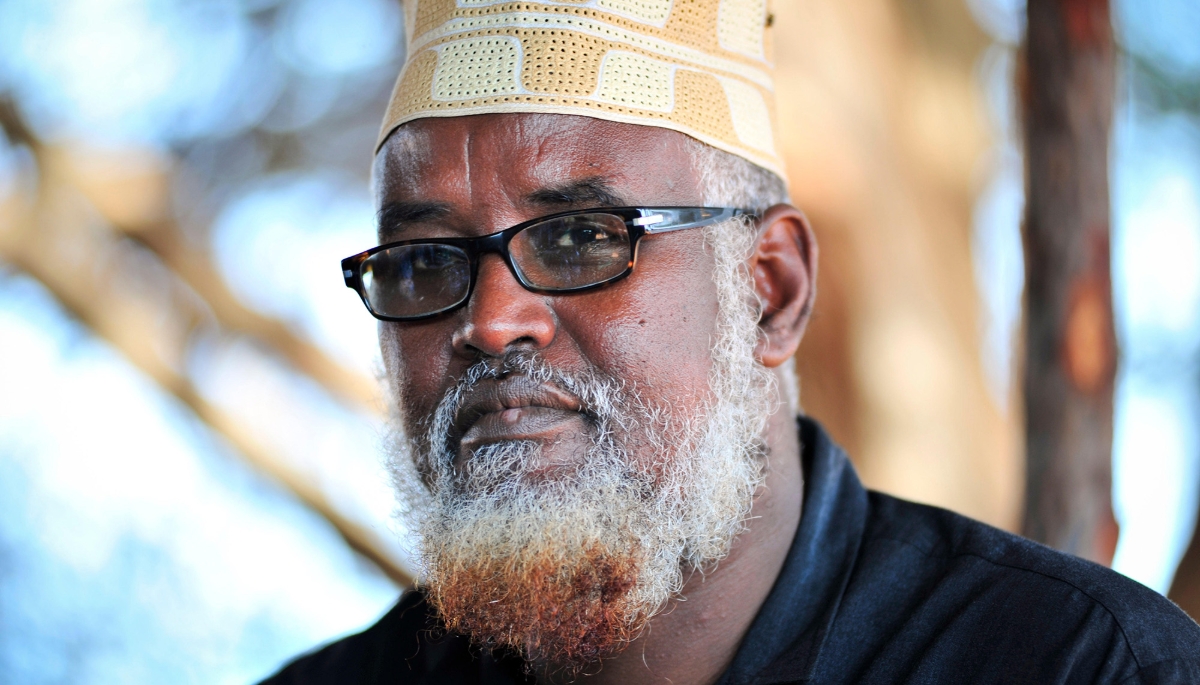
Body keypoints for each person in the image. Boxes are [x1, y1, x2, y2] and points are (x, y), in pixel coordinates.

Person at [262, 1, 1200, 682]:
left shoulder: (1076, 663)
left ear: (770, 290)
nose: (491, 319)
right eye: (424, 260)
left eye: (583, 236)